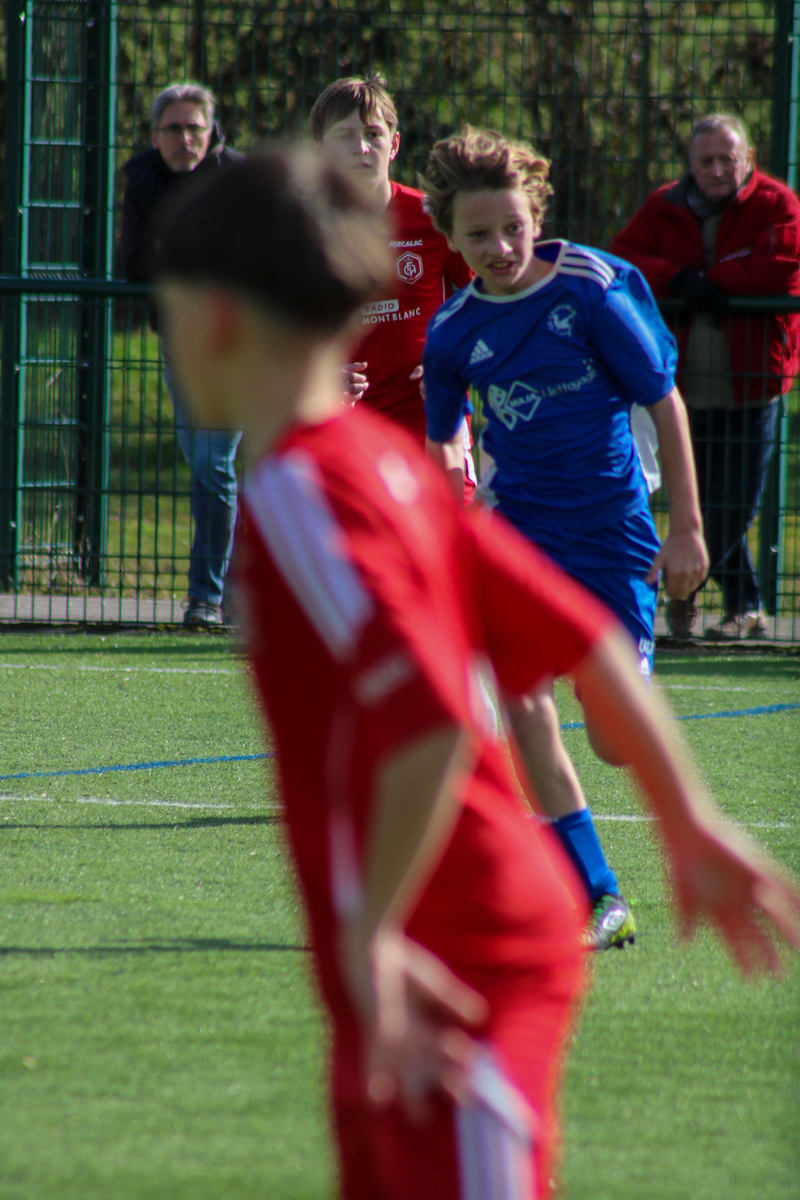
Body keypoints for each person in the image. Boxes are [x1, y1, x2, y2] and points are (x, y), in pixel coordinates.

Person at [156, 147, 800, 1200]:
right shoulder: (382, 469)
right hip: (424, 962)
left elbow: (433, 720)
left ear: (213, 321)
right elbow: (581, 641)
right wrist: (687, 822)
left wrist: (370, 937)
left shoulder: (301, 496)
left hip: (458, 963)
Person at [421, 128, 710, 950]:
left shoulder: (589, 289)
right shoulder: (452, 332)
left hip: (614, 538)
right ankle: (599, 897)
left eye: (512, 227)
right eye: (479, 235)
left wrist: (686, 528)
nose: (500, 247)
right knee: (521, 705)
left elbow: (664, 402)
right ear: (452, 238)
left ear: (536, 215)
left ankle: (619, 690)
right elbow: (445, 437)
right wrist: (450, 505)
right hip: (521, 537)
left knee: (615, 742)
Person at [611, 113, 800, 640]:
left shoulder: (778, 204)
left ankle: (677, 589)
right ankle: (744, 608)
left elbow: (786, 265)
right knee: (701, 503)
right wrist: (677, 279)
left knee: (732, 507)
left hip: (753, 386)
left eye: (727, 159)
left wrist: (713, 282)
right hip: (682, 389)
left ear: (748, 158)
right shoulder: (663, 206)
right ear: (690, 164)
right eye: (705, 161)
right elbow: (621, 258)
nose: (717, 170)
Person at [310, 76, 476, 495]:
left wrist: (453, 360)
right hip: (343, 427)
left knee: (447, 528)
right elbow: (275, 334)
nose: (361, 148)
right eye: (344, 136)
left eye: (373, 134)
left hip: (429, 419)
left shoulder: (433, 219)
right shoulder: (301, 233)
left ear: (394, 144)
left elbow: (492, 301)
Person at [120, 82, 243, 627]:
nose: (185, 138)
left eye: (195, 127)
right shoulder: (141, 178)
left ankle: (207, 599)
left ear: (211, 132)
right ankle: (236, 588)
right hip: (179, 341)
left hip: (238, 341)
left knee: (213, 467)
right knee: (208, 467)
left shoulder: (237, 176)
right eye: (173, 128)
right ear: (155, 136)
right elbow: (133, 264)